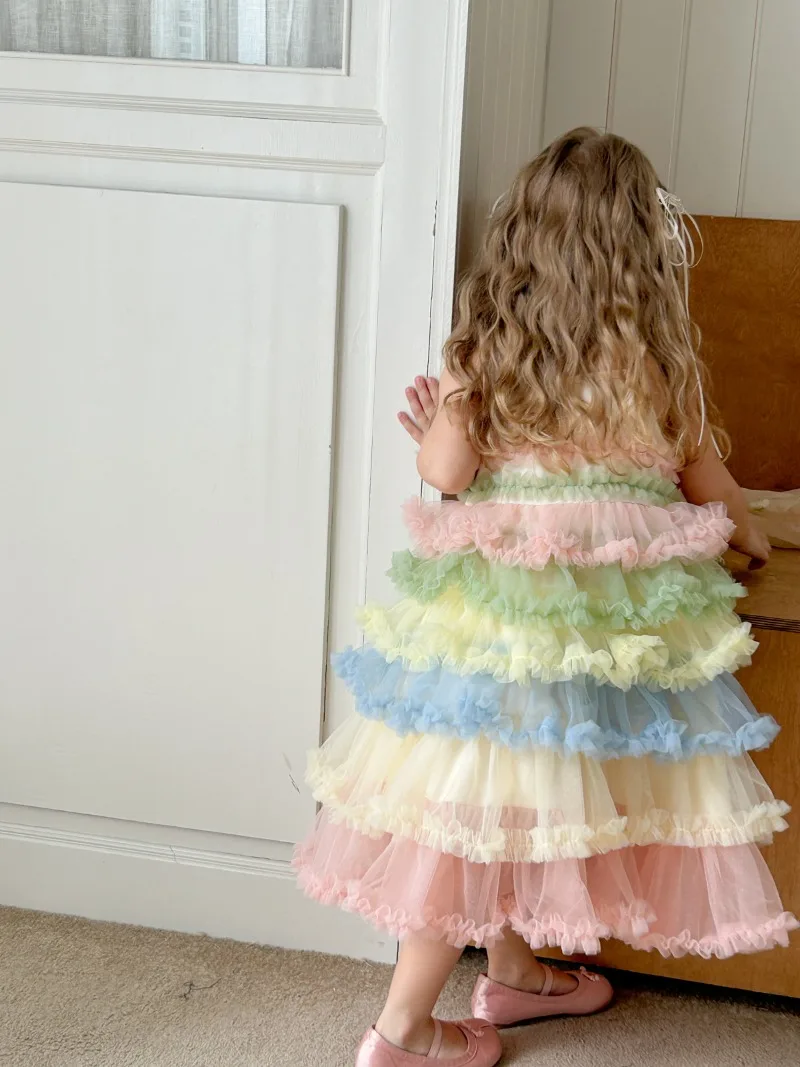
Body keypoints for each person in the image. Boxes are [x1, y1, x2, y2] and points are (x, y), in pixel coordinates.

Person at [294, 128, 796, 1066]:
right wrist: (755, 535)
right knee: (495, 807)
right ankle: (402, 1029)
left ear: (522, 234)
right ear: (641, 248)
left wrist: (443, 419)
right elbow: (719, 498)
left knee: (498, 792)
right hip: (603, 635)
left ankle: (514, 972)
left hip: (496, 616)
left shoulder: (487, 349)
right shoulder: (657, 364)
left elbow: (446, 474)